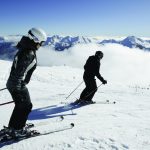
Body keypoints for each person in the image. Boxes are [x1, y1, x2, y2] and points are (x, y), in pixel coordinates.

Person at [4, 28, 47, 137]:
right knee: (26, 106)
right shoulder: (28, 53)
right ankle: (18, 130)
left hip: (15, 83)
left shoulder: (25, 48)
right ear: (35, 39)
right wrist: (17, 90)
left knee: (21, 106)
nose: (41, 45)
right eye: (41, 42)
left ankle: (14, 127)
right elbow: (18, 73)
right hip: (17, 84)